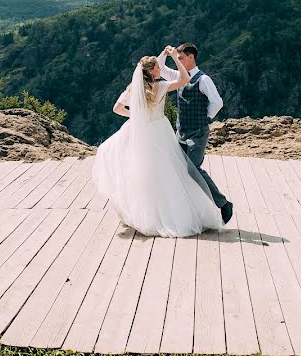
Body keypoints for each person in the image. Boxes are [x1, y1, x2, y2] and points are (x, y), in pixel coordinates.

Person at [91, 54, 223, 237]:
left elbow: (117, 108)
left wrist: (137, 117)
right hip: (160, 131)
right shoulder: (160, 86)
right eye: (158, 68)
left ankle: (146, 214)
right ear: (152, 71)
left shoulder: (133, 89)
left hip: (141, 132)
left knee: (144, 172)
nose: (160, 70)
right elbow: (184, 79)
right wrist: (175, 59)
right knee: (168, 172)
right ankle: (173, 214)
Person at [157, 43, 233, 224]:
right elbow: (159, 69)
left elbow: (217, 102)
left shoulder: (203, 79)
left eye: (181, 58)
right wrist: (165, 53)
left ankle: (223, 204)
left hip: (198, 132)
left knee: (193, 169)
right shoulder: (178, 76)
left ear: (191, 58)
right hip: (181, 131)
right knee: (180, 170)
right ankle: (189, 209)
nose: (178, 61)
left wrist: (205, 118)